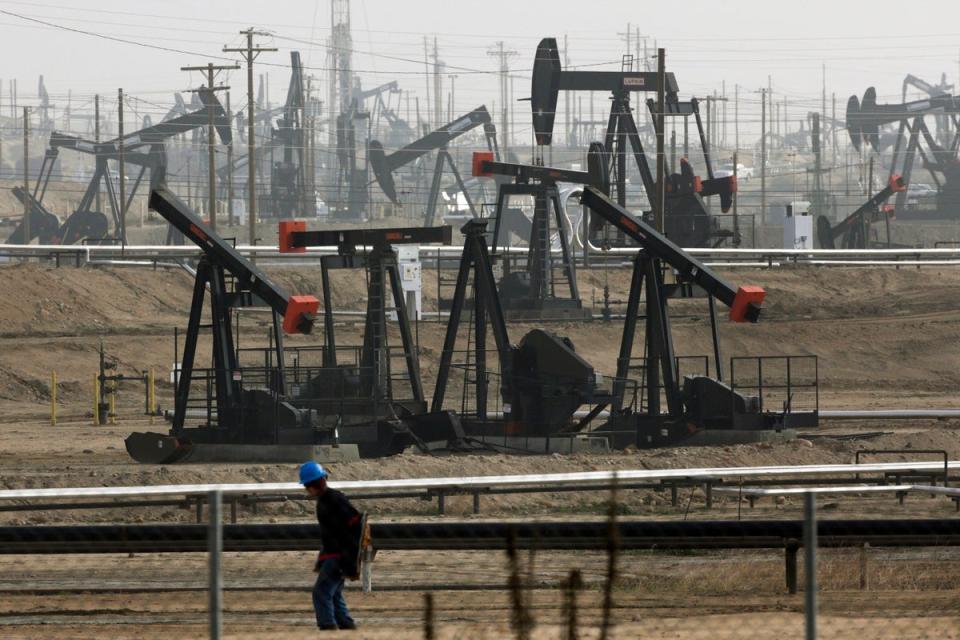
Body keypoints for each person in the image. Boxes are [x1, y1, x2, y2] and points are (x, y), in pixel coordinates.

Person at [300, 461, 360, 631]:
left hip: (338, 555)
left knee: (321, 592)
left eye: (306, 485)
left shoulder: (332, 500)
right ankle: (346, 624)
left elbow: (353, 524)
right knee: (333, 593)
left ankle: (327, 625)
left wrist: (347, 555)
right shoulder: (330, 499)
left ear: (311, 485)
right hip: (338, 554)